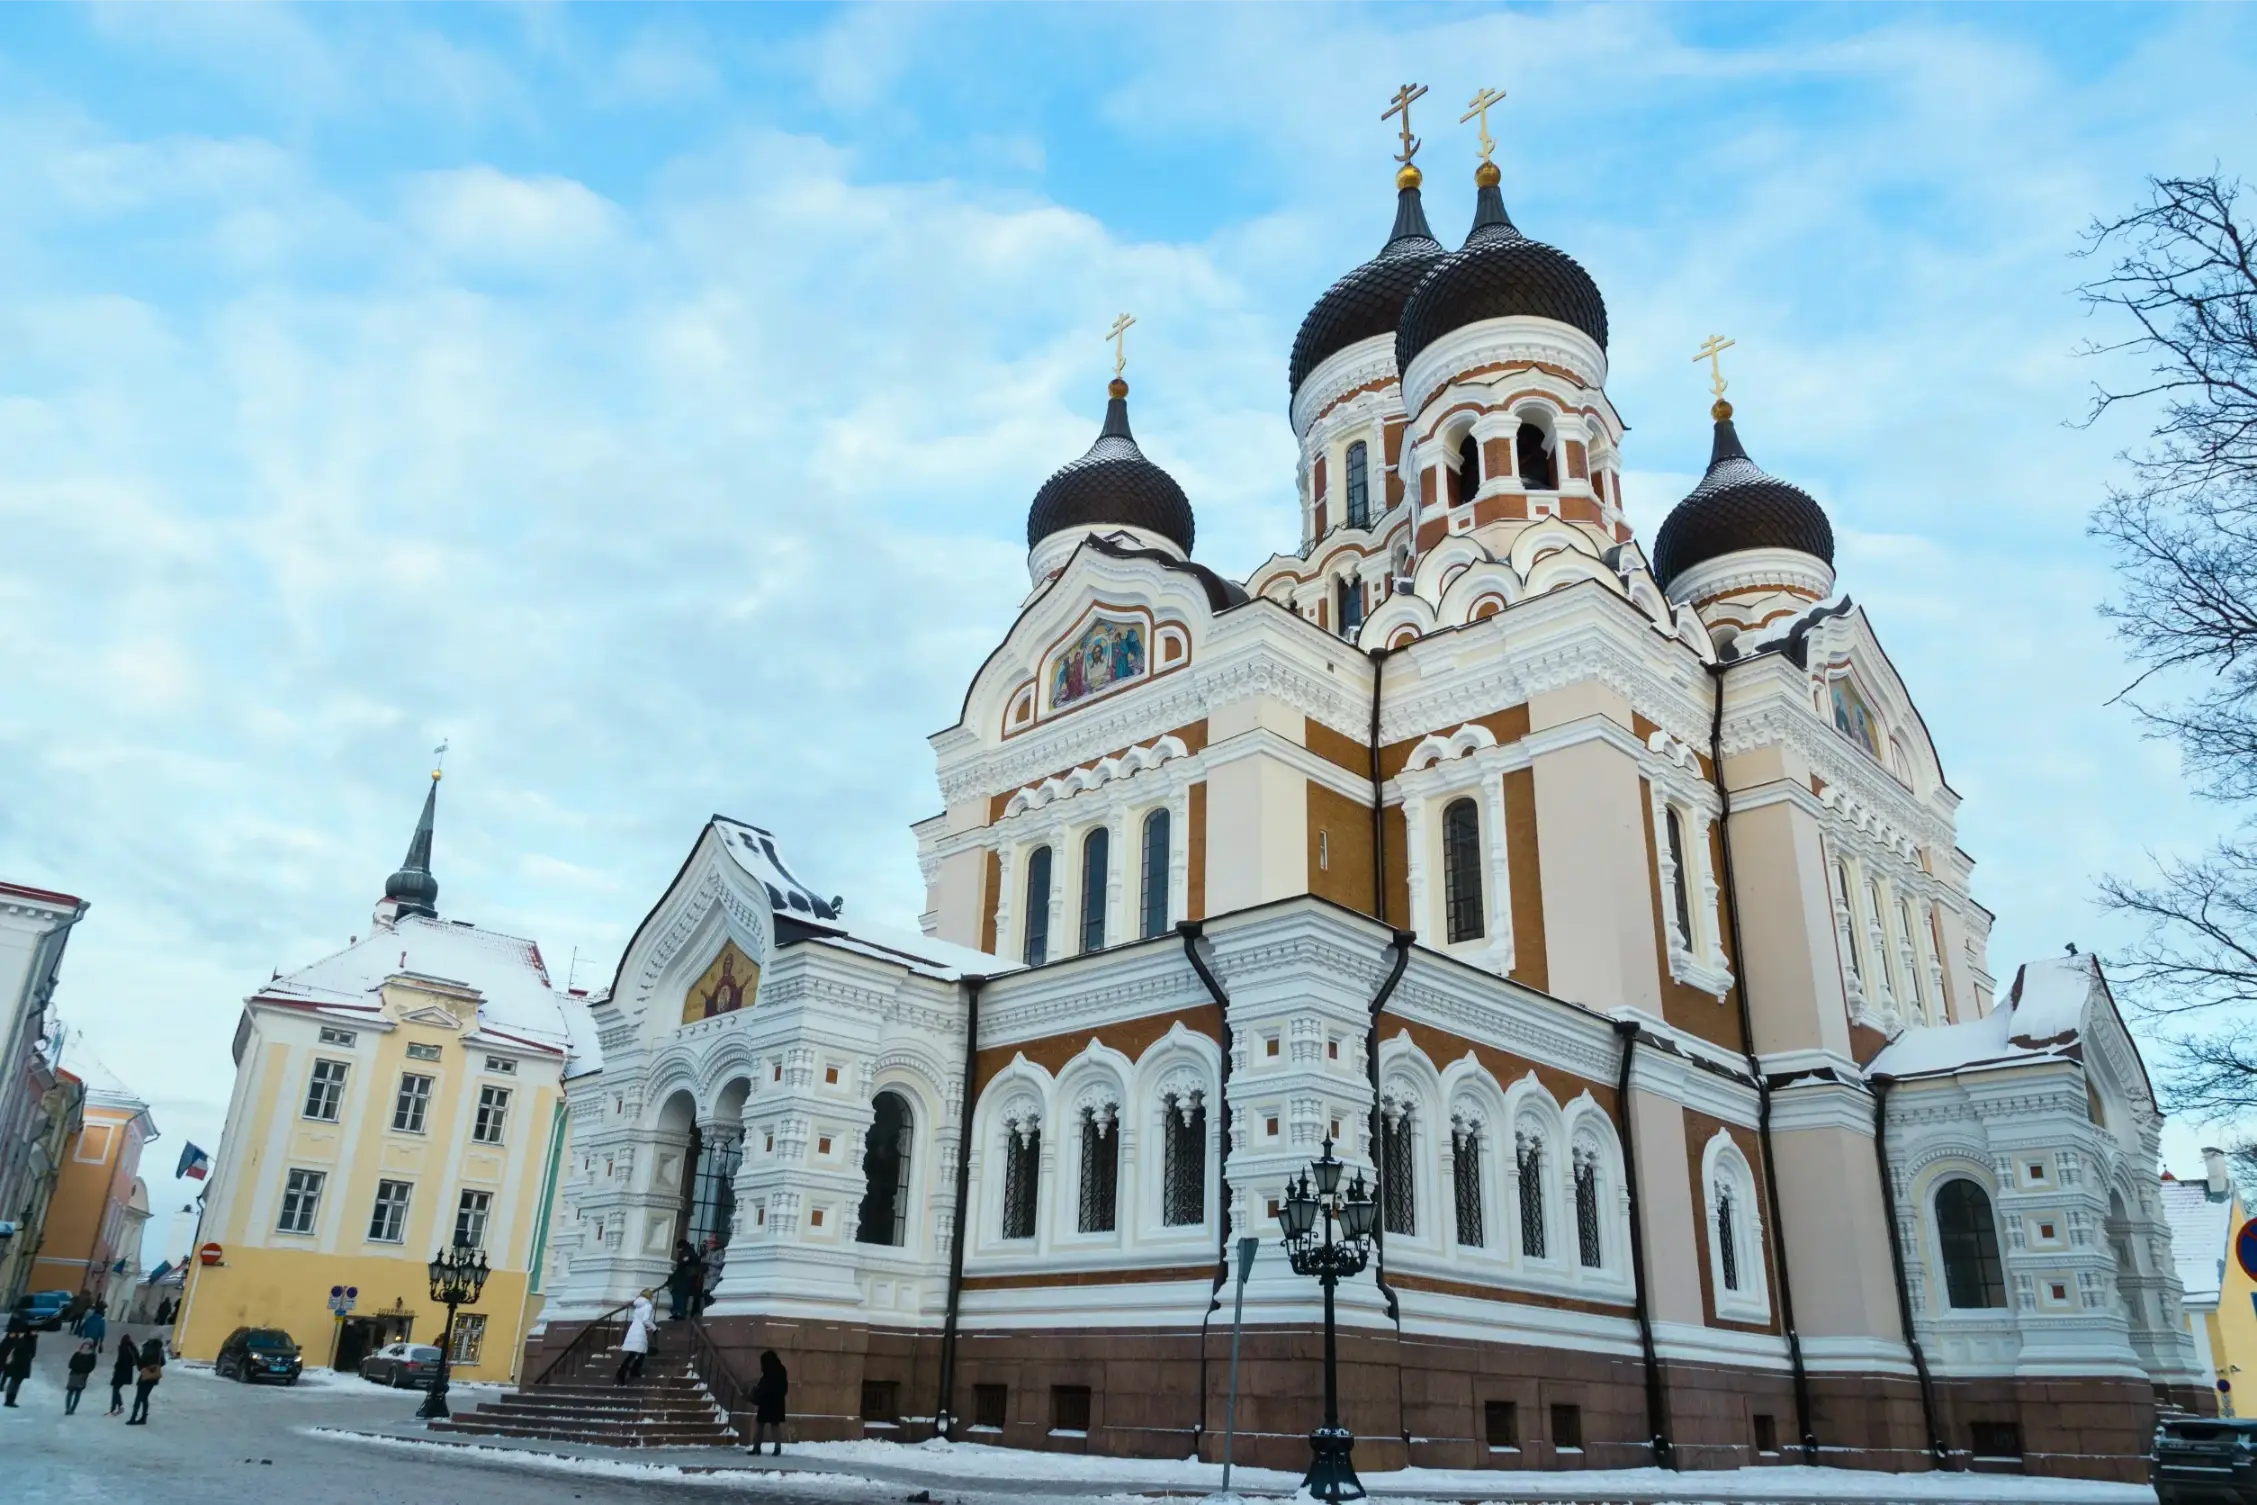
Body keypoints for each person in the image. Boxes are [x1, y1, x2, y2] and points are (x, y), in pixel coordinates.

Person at [750, 1349, 788, 1456]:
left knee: (760, 1424)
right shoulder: (781, 1370)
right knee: (775, 1426)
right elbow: (784, 1388)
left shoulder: (768, 1372)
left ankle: (757, 1447)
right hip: (777, 1402)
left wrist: (756, 1394)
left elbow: (763, 1387)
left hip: (766, 1402)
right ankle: (777, 1447)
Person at [613, 1289, 655, 1386]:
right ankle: (626, 1372)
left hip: (633, 1330)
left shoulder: (638, 1305)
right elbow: (645, 1320)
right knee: (640, 1352)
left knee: (635, 1353)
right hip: (640, 1331)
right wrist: (654, 1327)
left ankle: (630, 1371)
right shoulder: (648, 1305)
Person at [126, 1335, 163, 1424]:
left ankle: (133, 1418)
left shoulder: (148, 1348)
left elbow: (141, 1364)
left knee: (139, 1397)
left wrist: (134, 1352)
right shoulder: (159, 1349)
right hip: (154, 1377)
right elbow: (163, 1362)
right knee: (144, 1397)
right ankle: (143, 1418)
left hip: (146, 1376)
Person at [2, 1317, 36, 1407]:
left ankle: (10, 1399)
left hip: (21, 1364)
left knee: (15, 1382)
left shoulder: (28, 1339)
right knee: (14, 1382)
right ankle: (9, 1400)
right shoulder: (24, 1340)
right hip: (19, 1364)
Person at [665, 1239, 699, 1321]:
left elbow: (681, 1267)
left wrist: (670, 1279)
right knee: (679, 1296)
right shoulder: (689, 1253)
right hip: (683, 1280)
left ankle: (679, 1313)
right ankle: (678, 1312)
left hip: (683, 1280)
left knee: (680, 1297)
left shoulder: (688, 1254)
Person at [65, 1340, 97, 1414]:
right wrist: (75, 1367)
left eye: (88, 1344)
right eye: (85, 1344)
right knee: (70, 1391)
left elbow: (92, 1366)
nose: (86, 1346)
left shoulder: (91, 1355)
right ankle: (68, 1409)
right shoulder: (77, 1354)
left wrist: (86, 1370)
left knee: (78, 1392)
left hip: (83, 1375)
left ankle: (72, 1409)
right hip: (74, 1374)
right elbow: (71, 1363)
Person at [107, 1337, 137, 1416]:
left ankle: (116, 1407)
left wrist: (116, 1366)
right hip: (127, 1373)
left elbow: (120, 1361)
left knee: (115, 1389)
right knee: (115, 1389)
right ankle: (115, 1408)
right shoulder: (132, 1349)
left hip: (120, 1373)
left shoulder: (123, 1349)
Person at [697, 1235, 725, 1315]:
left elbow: (721, 1263)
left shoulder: (720, 1251)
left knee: (709, 1293)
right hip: (707, 1276)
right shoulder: (709, 1252)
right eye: (709, 1243)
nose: (709, 1244)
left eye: (711, 1243)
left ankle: (710, 1310)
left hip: (714, 1276)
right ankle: (707, 1309)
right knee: (706, 1294)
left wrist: (708, 1262)